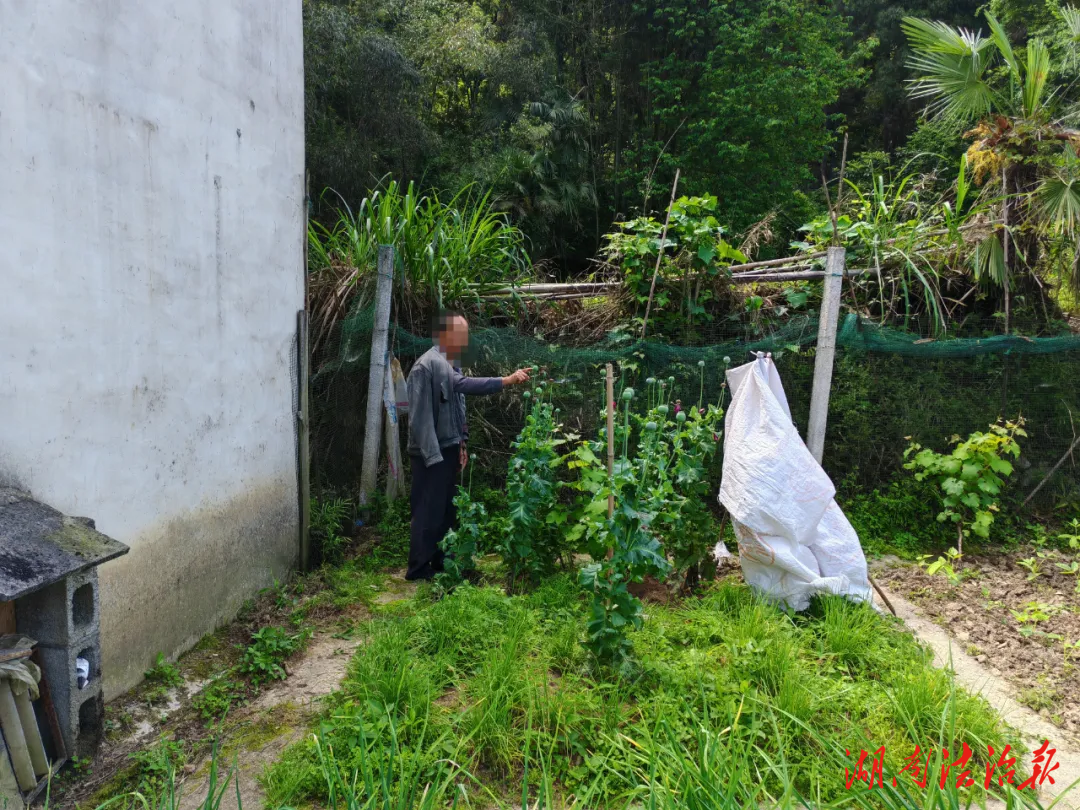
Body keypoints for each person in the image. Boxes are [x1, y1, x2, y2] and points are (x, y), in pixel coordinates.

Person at [405, 311, 530, 581]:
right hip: (431, 451)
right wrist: (505, 381)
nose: (465, 339)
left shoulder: (450, 362)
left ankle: (441, 563)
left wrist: (462, 444)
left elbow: (459, 406)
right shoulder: (426, 365)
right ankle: (418, 570)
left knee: (447, 510)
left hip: (448, 447)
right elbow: (418, 419)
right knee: (427, 510)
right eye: (462, 334)